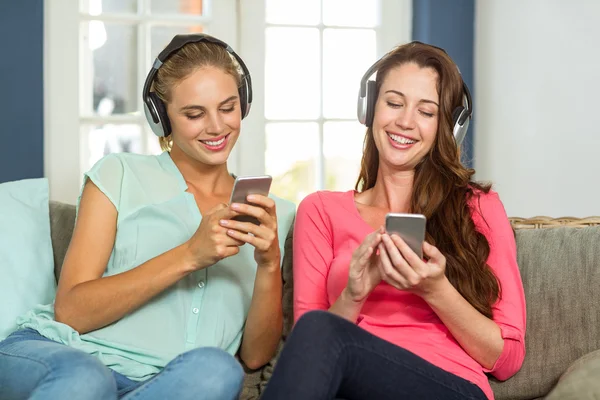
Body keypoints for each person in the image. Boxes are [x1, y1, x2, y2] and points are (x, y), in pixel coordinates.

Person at [0, 33, 295, 400]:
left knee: (218, 370)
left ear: (244, 104)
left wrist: (269, 264)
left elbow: (255, 357)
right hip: (64, 355)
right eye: (194, 113)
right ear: (161, 116)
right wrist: (190, 254)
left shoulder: (274, 213)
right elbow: (71, 312)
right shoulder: (118, 174)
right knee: (88, 380)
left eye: (227, 107)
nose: (217, 127)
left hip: (164, 384)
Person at [261, 41, 526, 400]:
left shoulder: (478, 207)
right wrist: (354, 294)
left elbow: (507, 358)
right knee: (318, 330)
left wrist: (434, 289)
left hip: (448, 387)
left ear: (449, 126)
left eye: (426, 112)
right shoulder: (321, 210)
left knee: (321, 331)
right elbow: (306, 349)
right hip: (350, 387)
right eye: (394, 103)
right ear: (369, 108)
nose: (405, 121)